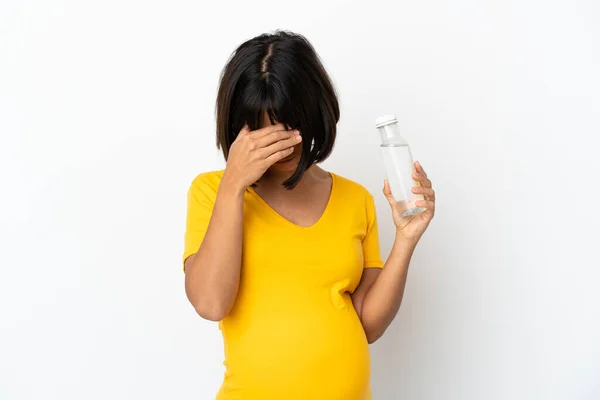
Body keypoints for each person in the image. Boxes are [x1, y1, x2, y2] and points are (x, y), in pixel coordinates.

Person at [183, 31, 435, 400]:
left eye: (288, 124)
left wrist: (406, 240)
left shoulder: (355, 199)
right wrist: (234, 185)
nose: (276, 141)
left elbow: (368, 323)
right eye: (259, 126)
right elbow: (210, 303)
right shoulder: (212, 192)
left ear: (314, 112)